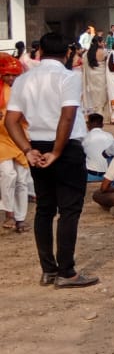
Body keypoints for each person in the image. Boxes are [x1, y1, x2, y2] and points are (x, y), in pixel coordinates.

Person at [4, 33, 98, 288]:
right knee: (69, 210)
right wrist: (57, 151)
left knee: (45, 208)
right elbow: (67, 117)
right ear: (67, 53)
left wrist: (27, 149)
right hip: (64, 146)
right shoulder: (69, 77)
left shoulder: (23, 80)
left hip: (37, 145)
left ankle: (48, 269)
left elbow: (10, 120)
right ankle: (66, 272)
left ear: (39, 52)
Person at [0, 53, 30, 233]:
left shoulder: (23, 91)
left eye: (14, 75)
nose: (11, 78)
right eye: (7, 75)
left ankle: (20, 219)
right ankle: (8, 212)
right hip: (1, 139)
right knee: (7, 173)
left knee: (22, 180)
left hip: (19, 138)